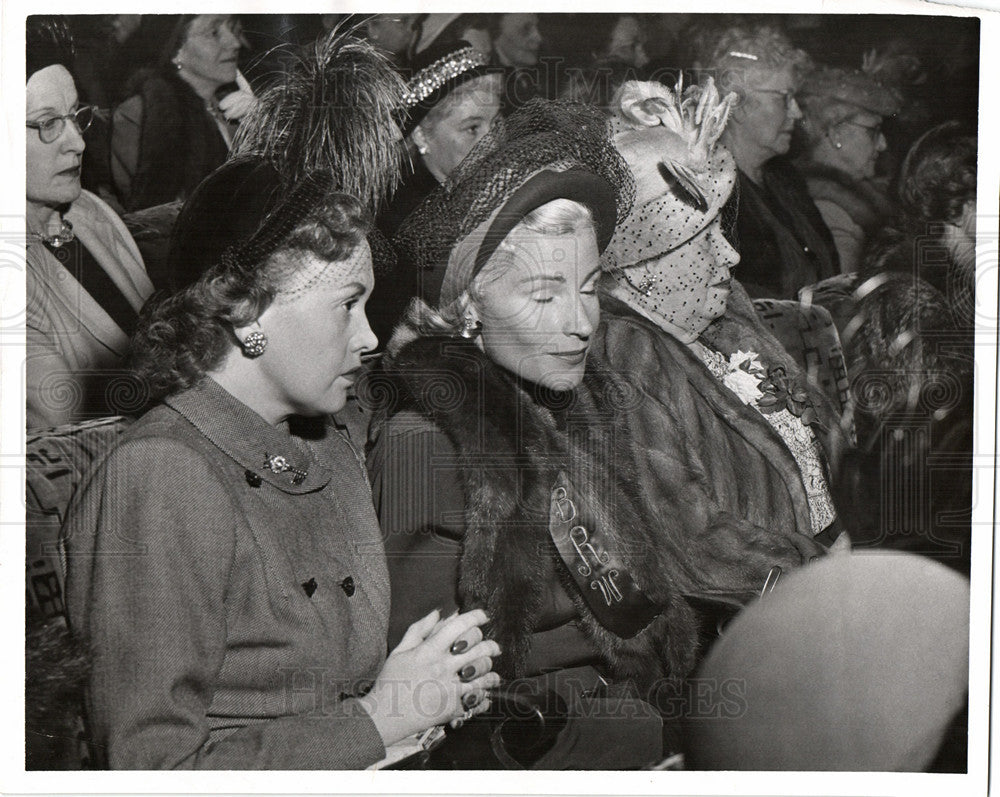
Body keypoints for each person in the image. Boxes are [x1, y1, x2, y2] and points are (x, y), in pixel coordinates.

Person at [61, 156, 500, 769]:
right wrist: (381, 717)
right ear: (245, 312)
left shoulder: (322, 441)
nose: (370, 337)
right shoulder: (162, 476)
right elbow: (150, 768)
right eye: (347, 305)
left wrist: (419, 689)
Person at [366, 101, 702, 766]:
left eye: (590, 287)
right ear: (467, 307)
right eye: (545, 296)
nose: (581, 322)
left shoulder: (580, 408)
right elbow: (430, 718)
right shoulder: (423, 443)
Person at [592, 79, 852, 615]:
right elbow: (691, 544)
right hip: (756, 626)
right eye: (702, 238)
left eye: (722, 230)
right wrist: (819, 576)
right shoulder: (626, 359)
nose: (730, 255)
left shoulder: (720, 313)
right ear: (641, 266)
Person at [26, 17, 153, 429]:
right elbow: (60, 430)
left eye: (75, 115)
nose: (78, 142)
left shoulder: (91, 212)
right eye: (47, 124)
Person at [694, 22, 840, 298]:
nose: (796, 113)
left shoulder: (785, 179)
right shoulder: (711, 195)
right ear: (735, 105)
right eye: (784, 99)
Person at [372, 40, 501, 341]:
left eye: (494, 124)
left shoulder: (491, 192)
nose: (490, 142)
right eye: (472, 128)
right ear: (421, 135)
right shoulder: (398, 222)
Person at [110, 14, 255, 212]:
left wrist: (263, 124)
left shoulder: (238, 105)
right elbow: (160, 217)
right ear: (176, 49)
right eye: (214, 32)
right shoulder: (139, 116)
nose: (234, 42)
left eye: (233, 29)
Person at [796, 64, 901, 272]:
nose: (883, 144)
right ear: (836, 134)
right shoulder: (830, 212)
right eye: (873, 131)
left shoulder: (853, 193)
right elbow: (839, 297)